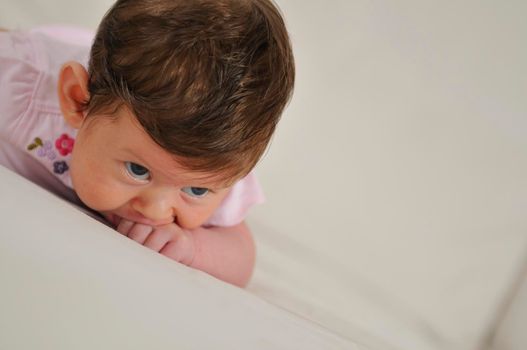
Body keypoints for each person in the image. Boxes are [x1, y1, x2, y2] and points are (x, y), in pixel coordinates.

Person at [0, 0, 295, 287]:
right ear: (78, 101)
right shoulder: (22, 84)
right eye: (137, 170)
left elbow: (242, 254)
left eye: (195, 190)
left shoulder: (215, 160)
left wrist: (193, 248)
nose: (156, 211)